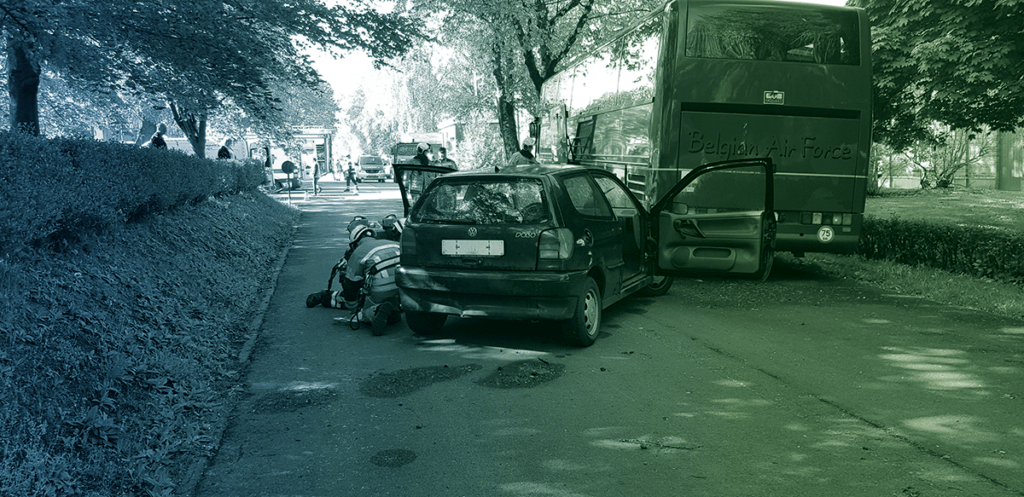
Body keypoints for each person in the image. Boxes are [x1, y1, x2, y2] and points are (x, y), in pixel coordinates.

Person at [306, 222, 402, 336]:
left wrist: (353, 309)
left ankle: (375, 312)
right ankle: (396, 309)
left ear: (354, 244)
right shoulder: (394, 244)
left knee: (362, 309)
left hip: (380, 288)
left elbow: (350, 285)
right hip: (402, 286)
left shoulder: (358, 252)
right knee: (395, 305)